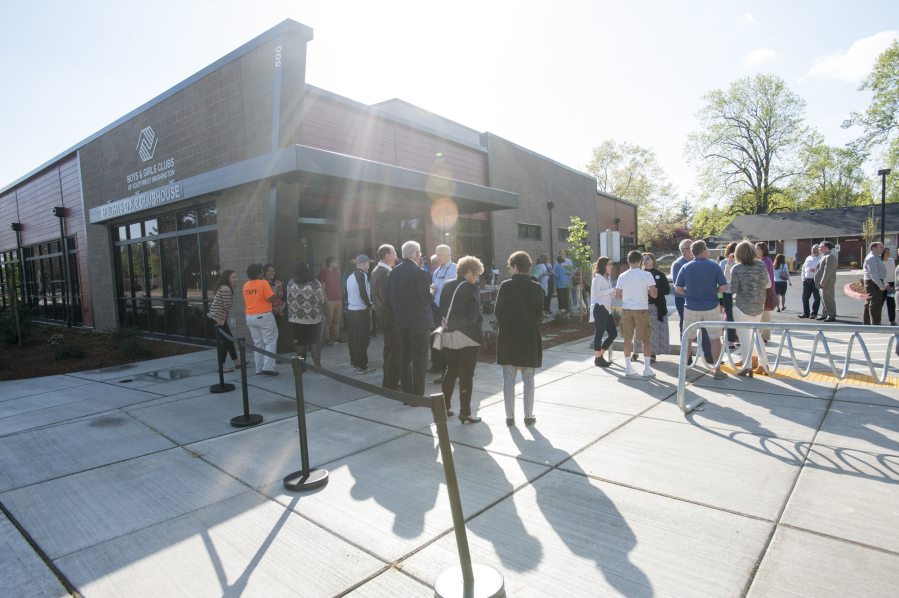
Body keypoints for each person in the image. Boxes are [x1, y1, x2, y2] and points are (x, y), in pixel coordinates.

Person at [494, 251, 544, 426]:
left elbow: (497, 312)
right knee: (529, 379)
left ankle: (509, 417)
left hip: (508, 337)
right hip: (529, 337)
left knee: (508, 379)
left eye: (509, 266)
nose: (508, 270)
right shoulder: (537, 287)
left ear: (515, 267)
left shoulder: (505, 286)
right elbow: (539, 314)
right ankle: (528, 416)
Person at [439, 256, 485, 424]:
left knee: (451, 370)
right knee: (467, 374)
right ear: (469, 272)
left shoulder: (446, 285)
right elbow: (473, 316)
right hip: (467, 336)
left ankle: (444, 407)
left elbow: (441, 309)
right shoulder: (471, 288)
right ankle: (465, 412)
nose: (478, 278)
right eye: (477, 274)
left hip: (449, 334)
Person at [675, 240, 728, 380]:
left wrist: (690, 294)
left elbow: (678, 288)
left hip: (691, 307)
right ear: (704, 250)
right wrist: (713, 291)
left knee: (688, 339)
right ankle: (718, 370)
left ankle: (683, 370)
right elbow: (723, 287)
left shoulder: (685, 267)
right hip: (711, 306)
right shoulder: (714, 265)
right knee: (715, 338)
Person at [387, 241, 434, 396]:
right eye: (419, 253)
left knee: (404, 357)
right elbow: (425, 299)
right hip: (419, 322)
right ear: (416, 254)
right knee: (419, 358)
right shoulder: (420, 273)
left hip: (402, 321)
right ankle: (417, 393)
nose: (420, 256)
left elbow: (391, 297)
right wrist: (432, 292)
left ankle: (407, 392)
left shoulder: (394, 272)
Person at [730, 241, 771, 376]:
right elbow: (768, 284)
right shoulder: (761, 265)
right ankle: (764, 365)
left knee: (744, 337)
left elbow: (734, 289)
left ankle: (747, 366)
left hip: (742, 306)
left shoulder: (737, 269)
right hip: (759, 305)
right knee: (756, 335)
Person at [616, 250, 658, 377]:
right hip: (641, 309)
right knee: (646, 339)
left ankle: (628, 368)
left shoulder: (622, 276)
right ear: (641, 261)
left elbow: (617, 296)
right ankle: (646, 369)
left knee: (627, 339)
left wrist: (628, 294)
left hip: (627, 309)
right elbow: (654, 295)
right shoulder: (646, 275)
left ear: (628, 261)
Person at [672, 238, 712, 363]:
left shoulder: (702, 262)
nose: (693, 248)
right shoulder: (678, 264)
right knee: (686, 328)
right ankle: (686, 357)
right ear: (684, 250)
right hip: (684, 300)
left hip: (701, 300)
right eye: (690, 247)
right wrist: (693, 293)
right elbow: (678, 286)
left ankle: (709, 355)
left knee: (705, 327)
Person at [371, 244, 400, 389]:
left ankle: (390, 381)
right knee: (394, 349)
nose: (396, 255)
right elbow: (387, 298)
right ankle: (390, 382)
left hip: (384, 314)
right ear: (387, 256)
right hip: (388, 315)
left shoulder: (381, 270)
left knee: (390, 348)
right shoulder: (383, 272)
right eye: (394, 253)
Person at [285, 262, 325, 367]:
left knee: (301, 342)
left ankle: (302, 365)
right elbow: (321, 300)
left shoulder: (291, 283)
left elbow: (289, 299)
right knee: (315, 340)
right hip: (313, 318)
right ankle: (317, 365)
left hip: (297, 318)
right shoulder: (315, 283)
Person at [243, 263, 279, 376]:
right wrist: (277, 291)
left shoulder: (245, 285)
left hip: (250, 316)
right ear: (259, 273)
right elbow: (271, 299)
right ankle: (268, 367)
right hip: (263, 316)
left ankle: (259, 368)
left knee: (258, 343)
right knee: (270, 341)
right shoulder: (263, 283)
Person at [633, 253, 670, 362]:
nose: (645, 261)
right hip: (641, 306)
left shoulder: (660, 274)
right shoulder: (639, 274)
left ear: (653, 261)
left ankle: (652, 354)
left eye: (648, 259)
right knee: (639, 329)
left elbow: (667, 290)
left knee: (653, 331)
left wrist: (654, 290)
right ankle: (635, 351)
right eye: (643, 259)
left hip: (656, 306)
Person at [429, 244, 457, 380]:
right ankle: (439, 368)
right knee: (437, 340)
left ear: (448, 255)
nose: (437, 257)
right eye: (436, 254)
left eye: (440, 254)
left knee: (448, 341)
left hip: (449, 311)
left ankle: (450, 371)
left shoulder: (455, 269)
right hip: (436, 310)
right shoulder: (436, 271)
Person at [207, 269, 240, 372]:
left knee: (229, 339)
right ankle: (222, 366)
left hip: (218, 317)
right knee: (227, 340)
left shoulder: (224, 287)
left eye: (236, 277)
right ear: (227, 278)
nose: (236, 279)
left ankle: (236, 362)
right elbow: (227, 305)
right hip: (217, 318)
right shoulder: (226, 288)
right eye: (233, 277)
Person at [345, 255, 374, 373]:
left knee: (353, 337)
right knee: (363, 339)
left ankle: (354, 361)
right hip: (361, 310)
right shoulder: (362, 275)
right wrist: (369, 304)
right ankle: (362, 365)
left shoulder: (350, 277)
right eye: (368, 263)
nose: (369, 265)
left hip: (351, 310)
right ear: (363, 263)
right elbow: (363, 292)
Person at [590, 256, 617, 367]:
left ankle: (599, 356)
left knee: (613, 334)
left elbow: (607, 293)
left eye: (612, 264)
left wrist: (615, 293)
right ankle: (599, 358)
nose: (612, 266)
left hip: (607, 309)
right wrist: (611, 290)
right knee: (599, 334)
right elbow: (598, 293)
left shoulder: (607, 277)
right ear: (603, 265)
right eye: (609, 264)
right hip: (600, 308)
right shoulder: (598, 277)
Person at [263, 263, 288, 353]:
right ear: (264, 272)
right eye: (269, 271)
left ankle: (277, 353)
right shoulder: (262, 283)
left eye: (273, 270)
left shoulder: (278, 283)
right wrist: (273, 309)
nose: (272, 272)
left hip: (278, 313)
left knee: (277, 334)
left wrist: (281, 307)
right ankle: (269, 354)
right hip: (267, 313)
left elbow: (284, 298)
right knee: (269, 336)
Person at [319, 257, 342, 344]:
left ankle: (337, 336)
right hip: (329, 300)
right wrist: (326, 300)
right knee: (328, 320)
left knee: (336, 319)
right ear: (331, 263)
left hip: (338, 299)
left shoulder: (336, 273)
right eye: (335, 262)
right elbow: (322, 288)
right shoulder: (324, 273)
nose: (337, 264)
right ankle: (326, 338)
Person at [863, 241, 887, 325]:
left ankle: (868, 324)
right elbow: (874, 275)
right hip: (873, 283)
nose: (883, 249)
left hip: (873, 282)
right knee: (875, 304)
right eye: (880, 247)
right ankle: (875, 324)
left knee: (871, 303)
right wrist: (881, 285)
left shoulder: (875, 257)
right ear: (873, 248)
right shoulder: (872, 258)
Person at [755, 243, 775, 341]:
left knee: (765, 314)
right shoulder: (759, 261)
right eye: (755, 249)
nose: (756, 251)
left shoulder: (766, 261)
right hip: (760, 290)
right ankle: (761, 335)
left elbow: (767, 278)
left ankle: (764, 336)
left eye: (758, 249)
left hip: (766, 290)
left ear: (763, 250)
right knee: (761, 314)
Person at [720, 242, 739, 349]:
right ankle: (735, 338)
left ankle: (731, 340)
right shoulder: (739, 263)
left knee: (730, 317)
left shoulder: (723, 263)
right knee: (738, 316)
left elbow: (720, 279)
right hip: (738, 293)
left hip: (727, 293)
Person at [814, 242, 838, 321]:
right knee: (824, 299)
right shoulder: (824, 256)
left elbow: (827, 271)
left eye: (821, 247)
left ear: (827, 248)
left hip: (827, 283)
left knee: (828, 299)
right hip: (823, 283)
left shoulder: (830, 257)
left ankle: (831, 315)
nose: (819, 248)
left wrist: (823, 282)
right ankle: (825, 314)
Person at [798, 244, 822, 319]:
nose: (814, 250)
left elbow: (823, 269)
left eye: (816, 248)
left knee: (817, 298)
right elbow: (803, 268)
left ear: (819, 250)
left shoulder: (821, 258)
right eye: (813, 248)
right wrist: (803, 278)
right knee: (804, 298)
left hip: (816, 281)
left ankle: (814, 314)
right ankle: (806, 313)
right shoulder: (808, 258)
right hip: (807, 281)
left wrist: (816, 270)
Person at [884, 247, 896, 326]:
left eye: (889, 252)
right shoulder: (879, 261)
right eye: (886, 252)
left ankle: (892, 320)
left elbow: (893, 273)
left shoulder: (891, 261)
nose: (888, 254)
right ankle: (876, 321)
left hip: (891, 284)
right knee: (880, 303)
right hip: (882, 284)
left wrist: (894, 284)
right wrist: (884, 283)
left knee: (891, 303)